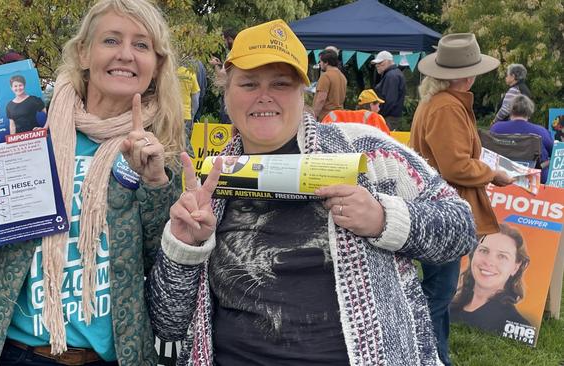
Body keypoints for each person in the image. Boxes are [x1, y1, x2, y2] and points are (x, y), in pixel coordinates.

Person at [148, 19, 478, 366]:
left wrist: (384, 218)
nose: (264, 95)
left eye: (281, 82)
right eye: (248, 83)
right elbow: (168, 325)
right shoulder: (210, 182)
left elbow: (461, 229)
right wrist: (184, 248)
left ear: (303, 92)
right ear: (226, 94)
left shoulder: (369, 152)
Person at [0, 0, 185, 364]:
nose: (126, 54)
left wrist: (154, 182)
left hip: (109, 358)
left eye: (141, 44)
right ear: (84, 53)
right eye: (111, 40)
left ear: (156, 64)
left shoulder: (162, 148)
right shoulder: (29, 124)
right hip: (16, 353)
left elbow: (161, 267)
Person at [410, 33, 514, 366]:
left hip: (439, 208)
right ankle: (422, 353)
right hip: (446, 211)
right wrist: (492, 174)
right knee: (438, 293)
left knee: (438, 290)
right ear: (465, 74)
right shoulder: (446, 107)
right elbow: (455, 165)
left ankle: (436, 355)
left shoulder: (441, 102)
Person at [450, 223, 532, 334]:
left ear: (515, 267)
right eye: (484, 251)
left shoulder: (519, 326)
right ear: (473, 254)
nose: (489, 262)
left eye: (502, 256)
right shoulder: (449, 306)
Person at [490, 95, 554, 183]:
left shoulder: (496, 128)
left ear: (510, 110)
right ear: (529, 112)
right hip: (532, 179)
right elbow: (553, 152)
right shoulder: (541, 131)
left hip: (501, 177)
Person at [321, 89, 391, 135]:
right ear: (371, 104)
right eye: (378, 106)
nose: (379, 109)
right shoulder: (375, 117)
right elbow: (386, 138)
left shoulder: (338, 115)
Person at [371, 50, 406, 131]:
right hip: (390, 117)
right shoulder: (393, 74)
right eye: (376, 63)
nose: (377, 66)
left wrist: (379, 114)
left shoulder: (391, 76)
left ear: (387, 61)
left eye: (380, 63)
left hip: (388, 118)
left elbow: (389, 100)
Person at [210, 28, 237, 124]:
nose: (224, 44)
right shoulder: (242, 53)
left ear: (230, 39)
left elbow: (222, 76)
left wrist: (215, 65)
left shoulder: (232, 54)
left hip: (230, 96)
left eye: (224, 40)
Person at [312, 49, 347, 121]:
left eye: (321, 61)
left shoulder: (326, 76)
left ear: (326, 62)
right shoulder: (342, 76)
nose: (320, 64)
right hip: (340, 116)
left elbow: (321, 99)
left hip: (327, 117)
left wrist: (314, 115)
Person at [177, 62, 200, 138]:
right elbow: (195, 99)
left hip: (172, 113)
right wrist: (192, 114)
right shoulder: (191, 74)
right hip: (186, 114)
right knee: (184, 141)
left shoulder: (171, 73)